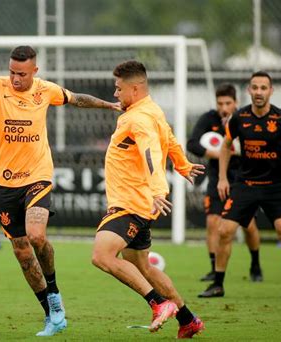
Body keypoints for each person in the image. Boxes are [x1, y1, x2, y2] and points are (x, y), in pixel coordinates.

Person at [0, 46, 121, 337]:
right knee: (21, 251)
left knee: (36, 235)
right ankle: (52, 313)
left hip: (38, 176)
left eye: (21, 73)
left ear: (35, 71)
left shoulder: (45, 90)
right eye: (12, 72)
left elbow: (77, 99)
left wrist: (109, 106)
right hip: (6, 183)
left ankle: (54, 292)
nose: (15, 78)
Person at [91, 60, 206, 338]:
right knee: (143, 267)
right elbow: (169, 140)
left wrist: (158, 189)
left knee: (102, 255)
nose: (115, 93)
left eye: (119, 89)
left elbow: (152, 153)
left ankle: (158, 304)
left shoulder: (138, 119)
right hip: (141, 203)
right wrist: (181, 163)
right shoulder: (150, 110)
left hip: (131, 203)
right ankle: (188, 319)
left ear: (135, 87)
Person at [198, 71, 281, 300]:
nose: (259, 92)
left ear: (271, 91)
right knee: (224, 230)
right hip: (245, 185)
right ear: (249, 90)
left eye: (263, 88)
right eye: (255, 87)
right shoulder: (239, 118)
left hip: (275, 186)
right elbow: (225, 147)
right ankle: (218, 285)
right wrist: (222, 178)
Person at [187, 84, 263, 282]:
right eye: (220, 103)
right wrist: (218, 153)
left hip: (244, 178)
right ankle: (214, 268)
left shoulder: (246, 119)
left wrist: (237, 151)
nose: (224, 107)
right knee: (213, 222)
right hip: (218, 177)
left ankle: (255, 263)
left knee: (249, 225)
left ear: (236, 103)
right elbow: (192, 144)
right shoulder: (209, 119)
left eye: (228, 103)